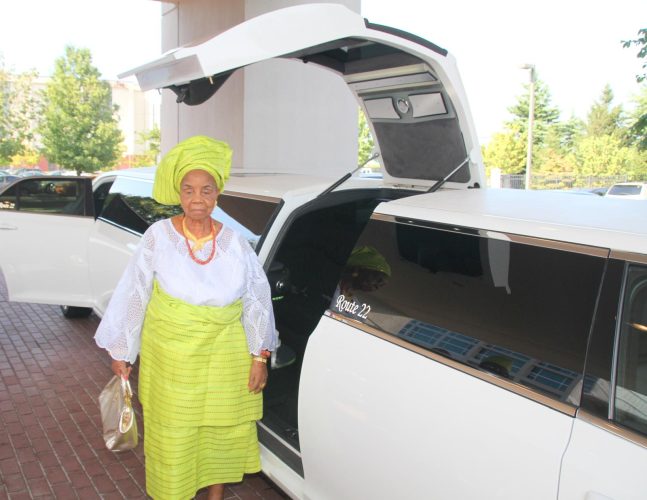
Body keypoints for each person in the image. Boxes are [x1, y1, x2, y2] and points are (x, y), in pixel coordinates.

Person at [94, 135, 277, 500]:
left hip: (226, 355)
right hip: (171, 359)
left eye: (206, 190)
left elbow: (257, 298)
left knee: (222, 430)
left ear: (217, 194)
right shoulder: (158, 236)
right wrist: (122, 350)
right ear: (179, 194)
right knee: (173, 433)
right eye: (189, 190)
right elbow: (135, 292)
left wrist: (259, 356)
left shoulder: (236, 242)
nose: (197, 199)